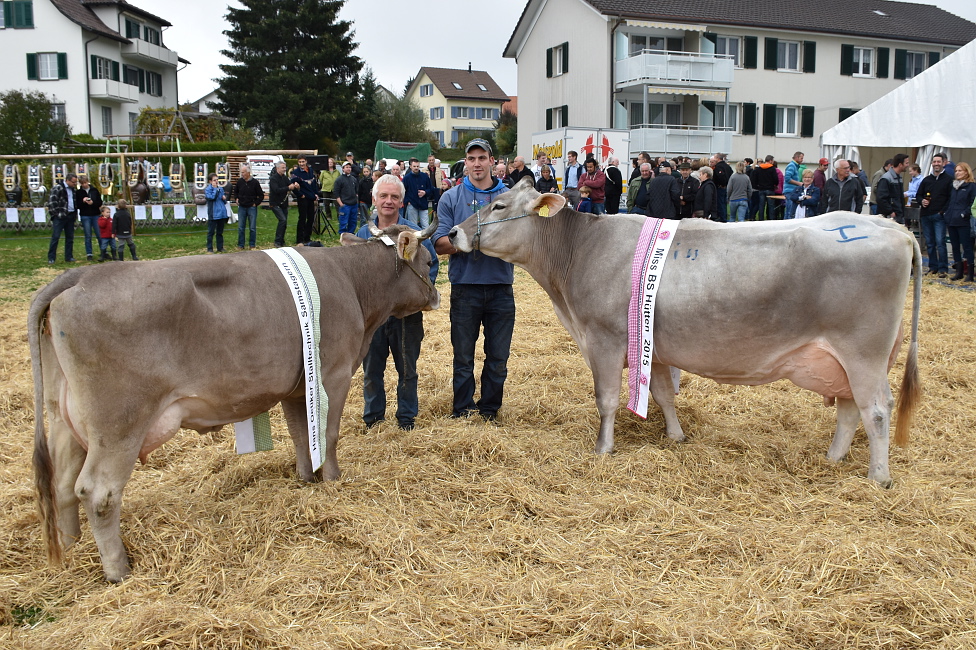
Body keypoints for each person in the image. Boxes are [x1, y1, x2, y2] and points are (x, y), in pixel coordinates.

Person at [434, 138, 514, 422]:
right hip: (465, 287)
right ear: (465, 163)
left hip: (500, 287)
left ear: (492, 161)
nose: (477, 163)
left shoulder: (507, 196)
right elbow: (440, 243)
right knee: (463, 357)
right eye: (472, 159)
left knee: (498, 358)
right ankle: (463, 409)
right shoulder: (451, 198)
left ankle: (490, 410)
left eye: (482, 158)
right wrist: (470, 241)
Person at [357, 174, 439, 430]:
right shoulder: (363, 233)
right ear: (374, 200)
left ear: (402, 202)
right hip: (372, 317)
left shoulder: (414, 234)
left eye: (394, 197)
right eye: (383, 196)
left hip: (405, 315)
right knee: (371, 370)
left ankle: (406, 419)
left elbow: (431, 265)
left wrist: (417, 294)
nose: (388, 201)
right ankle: (373, 419)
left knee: (408, 370)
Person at [916, 152, 953, 276]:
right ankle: (933, 267)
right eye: (934, 161)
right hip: (926, 215)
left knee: (940, 242)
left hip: (939, 216)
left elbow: (950, 198)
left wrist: (942, 211)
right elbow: (918, 195)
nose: (936, 164)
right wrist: (922, 201)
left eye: (938, 161)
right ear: (932, 164)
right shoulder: (927, 180)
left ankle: (943, 268)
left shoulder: (948, 180)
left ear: (944, 163)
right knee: (930, 243)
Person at [945, 162, 975, 282]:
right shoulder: (953, 186)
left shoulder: (971, 186)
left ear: (966, 172)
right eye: (956, 171)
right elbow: (950, 202)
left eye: (960, 171)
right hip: (952, 220)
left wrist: (964, 214)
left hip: (963, 221)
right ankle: (959, 272)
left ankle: (970, 273)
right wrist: (947, 213)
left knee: (967, 247)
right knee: (955, 247)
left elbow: (972, 203)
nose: (957, 173)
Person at [46, 172, 79, 264]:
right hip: (60, 217)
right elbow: (52, 202)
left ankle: (69, 256)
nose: (74, 184)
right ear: (67, 180)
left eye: (75, 182)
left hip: (70, 216)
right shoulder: (58, 188)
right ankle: (51, 257)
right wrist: (57, 214)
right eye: (73, 182)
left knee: (70, 238)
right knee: (55, 237)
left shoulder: (73, 190)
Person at [290, 155, 319, 245]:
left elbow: (313, 183)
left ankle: (307, 238)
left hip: (311, 197)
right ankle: (299, 239)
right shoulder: (295, 173)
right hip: (303, 198)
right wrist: (300, 195)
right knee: (302, 218)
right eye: (300, 162)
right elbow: (293, 186)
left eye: (303, 162)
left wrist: (316, 194)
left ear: (306, 161)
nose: (301, 164)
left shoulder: (310, 171)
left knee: (310, 218)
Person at [235, 163, 264, 250]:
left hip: (251, 207)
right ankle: (241, 244)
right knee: (241, 227)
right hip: (242, 207)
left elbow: (261, 195)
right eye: (241, 172)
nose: (242, 174)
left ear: (248, 173)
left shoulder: (255, 182)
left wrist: (256, 203)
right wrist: (236, 198)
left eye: (243, 172)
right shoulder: (240, 182)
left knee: (252, 227)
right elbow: (235, 192)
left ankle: (252, 244)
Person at [876, 153, 909, 224]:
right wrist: (890, 212)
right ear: (900, 164)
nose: (908, 165)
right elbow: (881, 198)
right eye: (906, 163)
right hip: (889, 217)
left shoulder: (899, 178)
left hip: (898, 215)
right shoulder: (886, 178)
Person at [268, 161, 295, 248]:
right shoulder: (273, 179)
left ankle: (282, 240)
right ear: (277, 168)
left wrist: (295, 186)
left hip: (284, 204)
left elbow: (290, 184)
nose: (284, 169)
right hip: (275, 203)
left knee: (284, 222)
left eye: (285, 168)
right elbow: (276, 190)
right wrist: (288, 188)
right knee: (282, 220)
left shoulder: (285, 178)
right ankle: (277, 241)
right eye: (283, 168)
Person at [75, 174, 102, 261]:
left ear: (88, 182)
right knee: (88, 235)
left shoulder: (94, 190)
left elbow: (100, 202)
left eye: (85, 183)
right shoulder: (79, 193)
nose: (84, 185)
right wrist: (83, 201)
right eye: (82, 183)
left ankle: (103, 251)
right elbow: (77, 205)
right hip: (85, 215)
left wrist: (93, 203)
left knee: (99, 234)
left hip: (95, 214)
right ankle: (89, 253)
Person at [402, 157, 433, 227]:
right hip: (412, 204)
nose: (416, 168)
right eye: (414, 166)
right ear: (410, 167)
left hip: (423, 203)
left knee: (425, 225)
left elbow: (430, 188)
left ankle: (426, 238)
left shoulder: (425, 176)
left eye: (417, 166)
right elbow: (402, 190)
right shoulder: (407, 178)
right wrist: (407, 201)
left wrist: (425, 192)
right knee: (413, 225)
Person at [205, 172, 229, 253]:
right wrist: (215, 189)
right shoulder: (208, 190)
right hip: (214, 214)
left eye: (217, 180)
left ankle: (220, 247)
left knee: (220, 232)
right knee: (211, 232)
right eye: (214, 180)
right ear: (210, 181)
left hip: (221, 213)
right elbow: (211, 198)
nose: (216, 182)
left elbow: (224, 201)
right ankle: (210, 248)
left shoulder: (221, 189)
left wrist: (224, 198)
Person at [334, 161, 360, 234]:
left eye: (349, 167)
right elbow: (336, 193)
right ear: (343, 169)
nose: (348, 169)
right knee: (343, 221)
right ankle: (343, 234)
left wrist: (356, 200)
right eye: (347, 167)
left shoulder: (353, 179)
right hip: (345, 204)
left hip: (354, 204)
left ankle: (351, 233)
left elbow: (356, 191)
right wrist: (341, 204)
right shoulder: (339, 180)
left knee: (353, 221)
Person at [751, 155, 778, 220]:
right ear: (771, 161)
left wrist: (758, 185)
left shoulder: (759, 169)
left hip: (761, 189)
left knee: (761, 205)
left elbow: (755, 179)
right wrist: (775, 184)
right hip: (770, 189)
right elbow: (775, 179)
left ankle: (761, 219)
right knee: (771, 206)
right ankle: (771, 219)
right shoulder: (772, 169)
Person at [710, 153, 733, 222]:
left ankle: (722, 218)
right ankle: (725, 216)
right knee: (724, 204)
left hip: (720, 187)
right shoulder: (727, 166)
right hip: (726, 187)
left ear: (717, 158)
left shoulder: (718, 167)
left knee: (720, 204)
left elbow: (718, 177)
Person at [317, 157, 340, 227]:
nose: (330, 163)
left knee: (337, 203)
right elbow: (320, 180)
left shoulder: (337, 172)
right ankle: (328, 216)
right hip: (326, 189)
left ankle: (339, 216)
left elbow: (339, 180)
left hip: (334, 190)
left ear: (333, 164)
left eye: (331, 162)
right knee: (326, 204)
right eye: (328, 162)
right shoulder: (323, 172)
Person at [782, 151, 805, 219]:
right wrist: (799, 183)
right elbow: (787, 178)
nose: (802, 160)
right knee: (790, 210)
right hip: (790, 191)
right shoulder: (792, 166)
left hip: (791, 191)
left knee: (789, 210)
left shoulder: (795, 166)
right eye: (801, 158)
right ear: (797, 157)